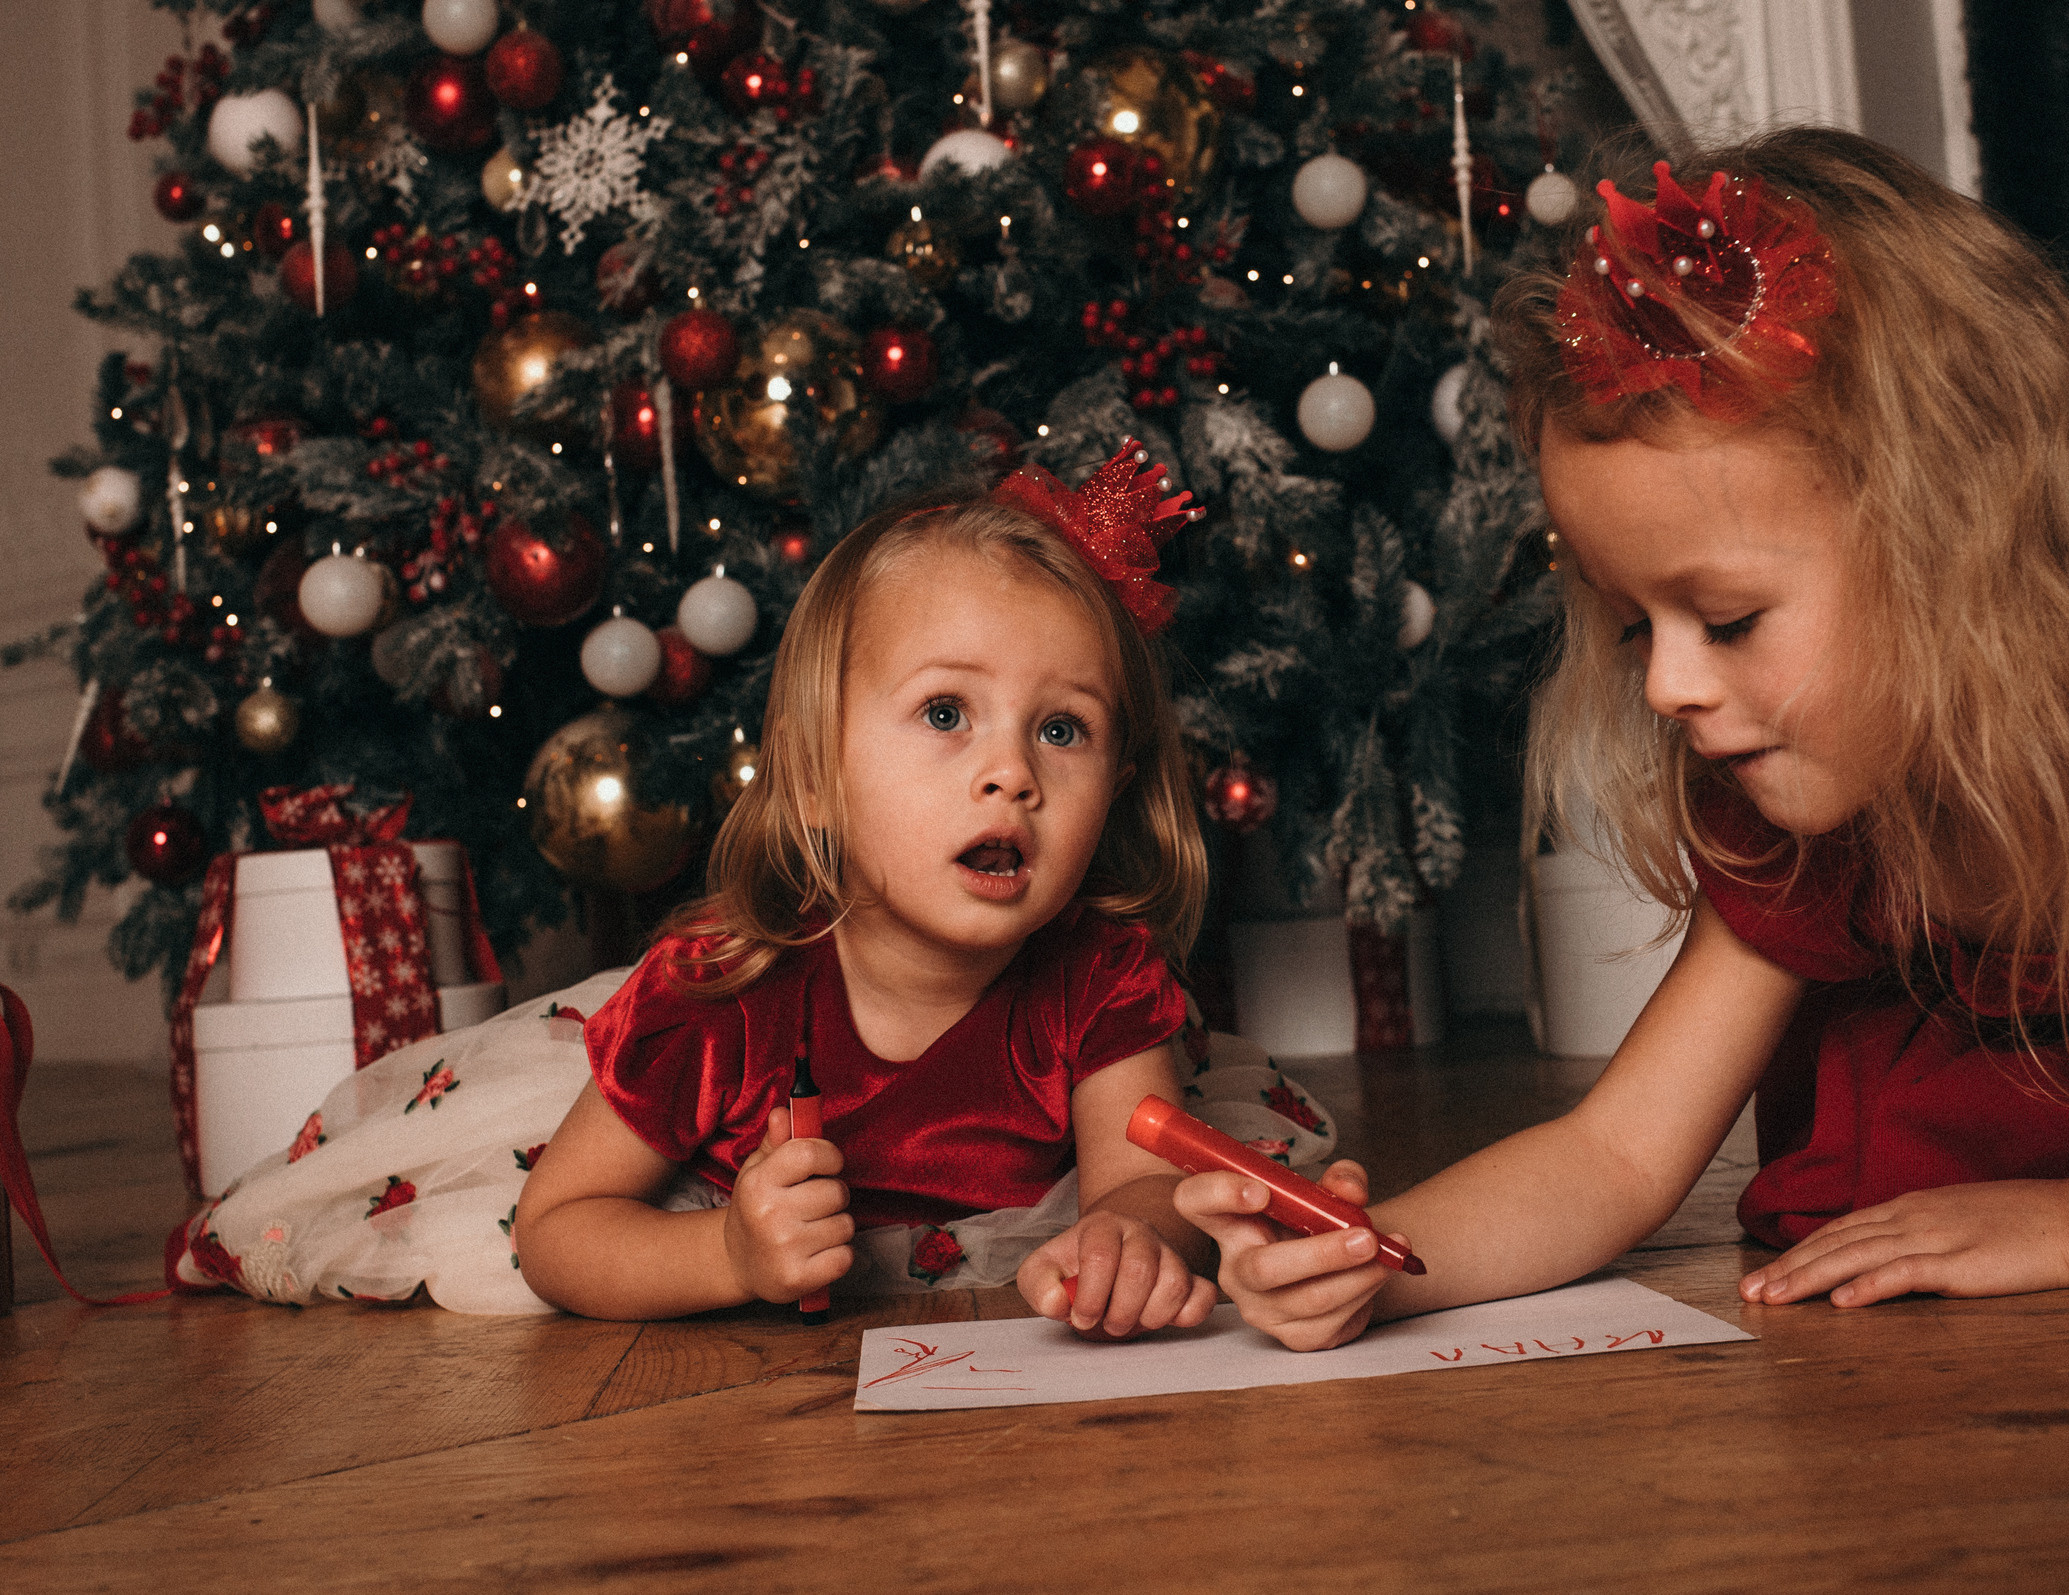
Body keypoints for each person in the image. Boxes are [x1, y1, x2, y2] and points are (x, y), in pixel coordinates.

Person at [1178, 127, 2069, 1350]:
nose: (1664, 685)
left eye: (1724, 619)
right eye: (1626, 627)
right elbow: (1612, 1152)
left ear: (1965, 540)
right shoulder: (1821, 806)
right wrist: (1382, 1258)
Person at [174, 446, 1336, 1325]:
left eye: (1063, 730)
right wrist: (725, 1256)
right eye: (945, 712)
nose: (1010, 774)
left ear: (1116, 784)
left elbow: (1136, 1183)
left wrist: (1129, 1243)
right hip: (715, 1202)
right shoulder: (725, 989)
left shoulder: (1098, 974)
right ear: (819, 778)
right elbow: (556, 1232)